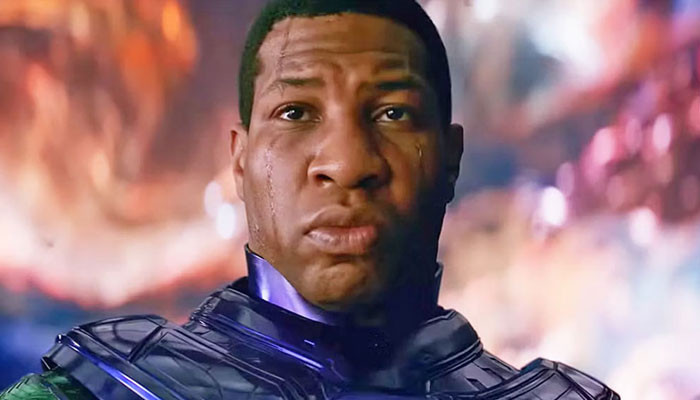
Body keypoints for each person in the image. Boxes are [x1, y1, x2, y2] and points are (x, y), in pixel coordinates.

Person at [0, 1, 620, 398]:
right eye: (296, 112)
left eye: (392, 113)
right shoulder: (100, 389)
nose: (347, 164)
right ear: (241, 159)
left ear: (449, 157)